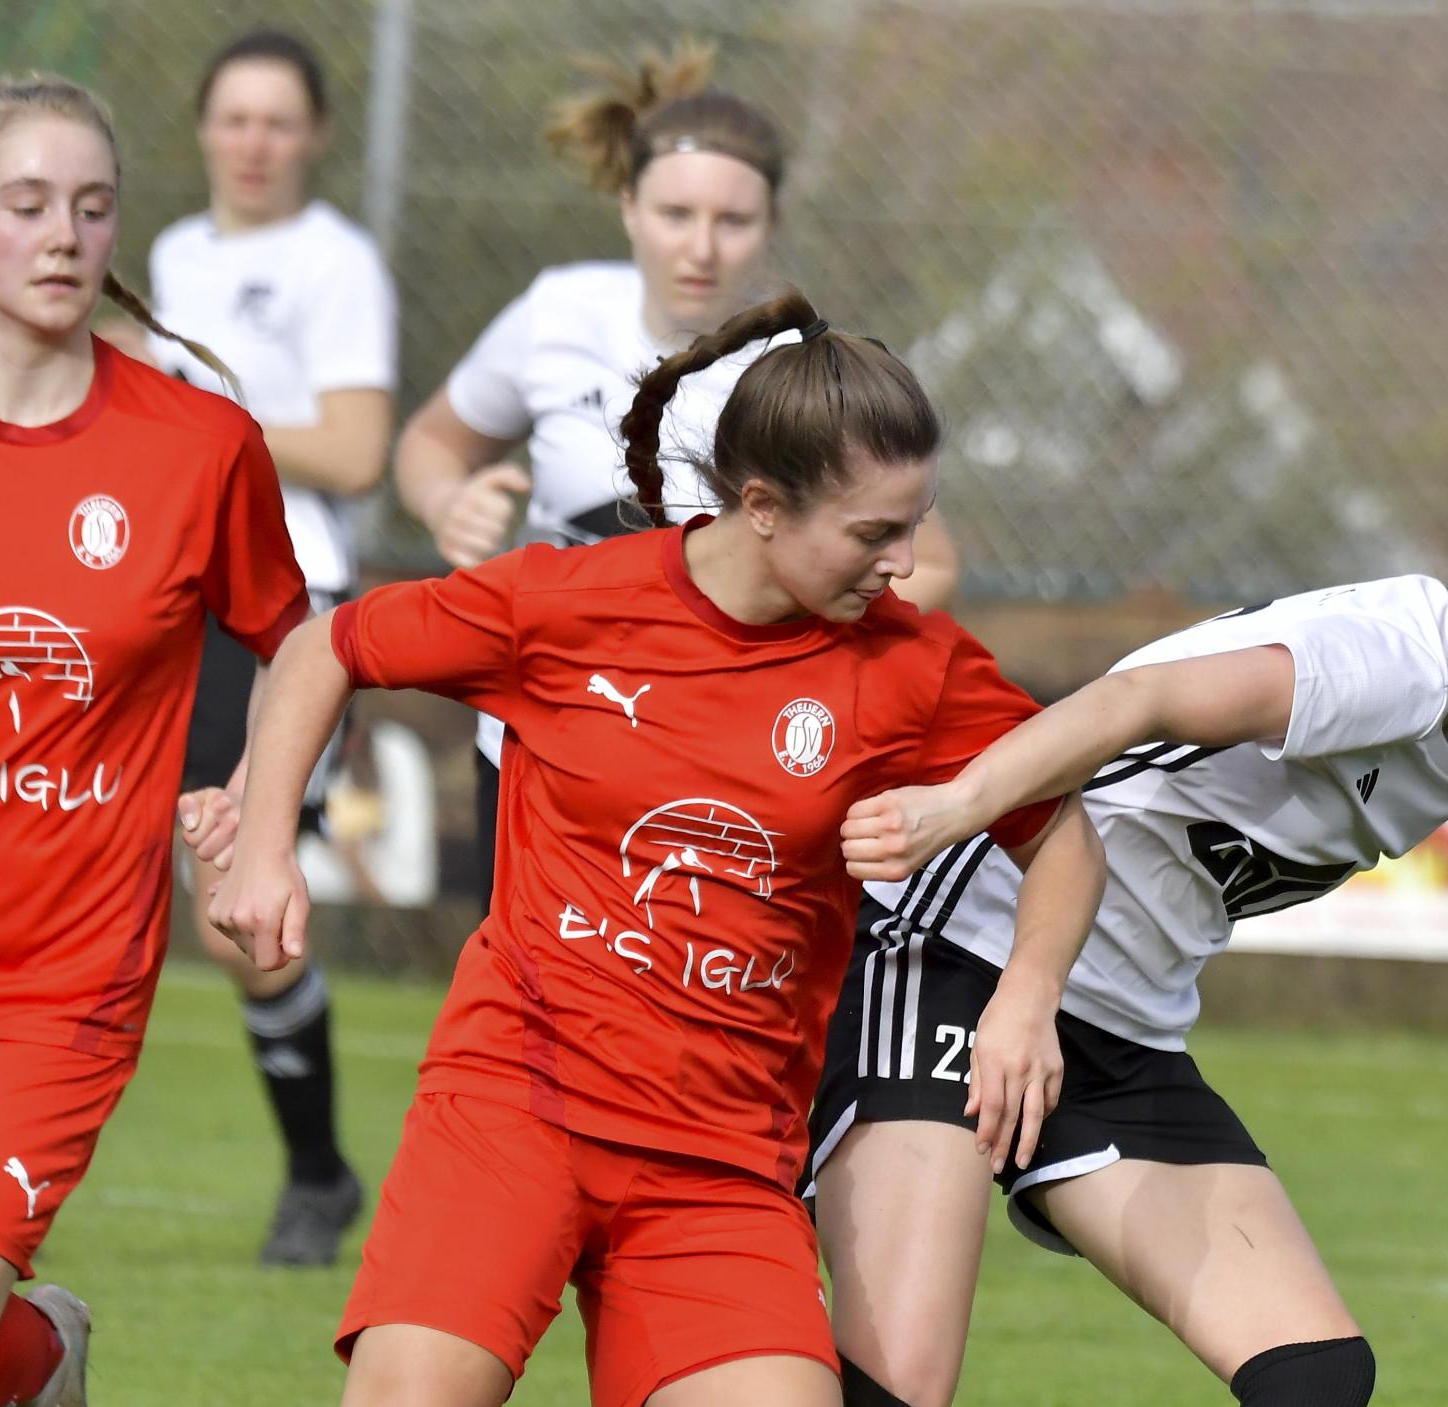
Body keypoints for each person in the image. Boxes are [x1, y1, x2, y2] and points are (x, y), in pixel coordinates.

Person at [211, 288, 1105, 1407]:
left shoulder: (910, 667)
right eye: (875, 532)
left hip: (719, 1160)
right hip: (515, 1106)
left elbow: (1060, 823)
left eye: (915, 523)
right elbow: (324, 647)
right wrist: (263, 847)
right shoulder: (567, 601)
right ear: (764, 506)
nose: (904, 561)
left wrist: (1026, 992)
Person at [814, 394, 1448, 1407]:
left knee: (1315, 1378)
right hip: (957, 960)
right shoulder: (1392, 662)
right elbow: (1130, 703)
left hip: (1114, 1029)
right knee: (895, 1392)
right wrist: (961, 807)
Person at [0, 77, 307, 1406]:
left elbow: (303, 641)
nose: (63, 234)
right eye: (24, 204)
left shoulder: (199, 447)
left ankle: (42, 1348)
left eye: (92, 206)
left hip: (56, 979)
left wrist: (259, 807)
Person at [392, 42, 960, 906]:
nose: (700, 246)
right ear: (626, 204)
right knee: (522, 996)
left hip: (712, 753)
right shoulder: (557, 312)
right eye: (673, 212)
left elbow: (931, 564)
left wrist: (775, 647)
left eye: (732, 221)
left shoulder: (795, 367)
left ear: (770, 223)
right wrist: (448, 502)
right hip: (536, 726)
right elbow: (429, 444)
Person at [129, 26, 399, 1268]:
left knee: (239, 892)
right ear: (200, 129)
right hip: (172, 594)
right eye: (233, 118)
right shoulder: (175, 254)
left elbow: (352, 452)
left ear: (316, 136)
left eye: (277, 121)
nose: (253, 143)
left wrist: (198, 413)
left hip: (289, 607)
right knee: (176, 883)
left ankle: (317, 1173)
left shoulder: (335, 265)